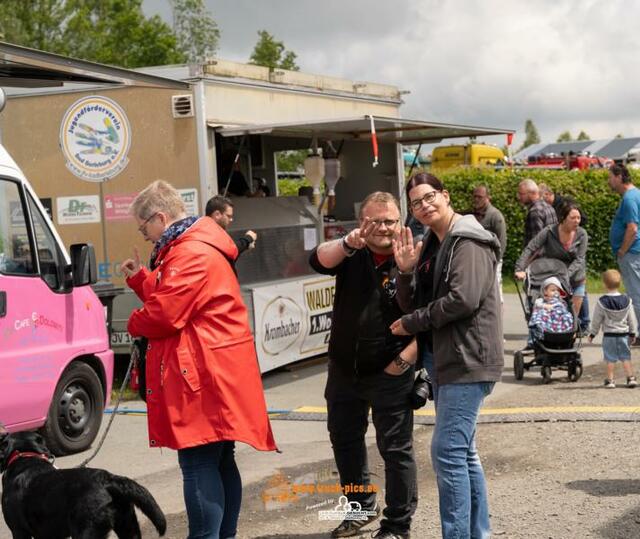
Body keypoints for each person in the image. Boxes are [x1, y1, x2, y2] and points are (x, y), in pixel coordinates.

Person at [121, 180, 277, 539]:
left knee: (198, 464)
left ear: (159, 217)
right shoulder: (194, 245)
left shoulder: (188, 251)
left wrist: (132, 323)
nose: (144, 236)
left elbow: (165, 314)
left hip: (202, 371)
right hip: (214, 367)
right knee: (220, 460)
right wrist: (141, 279)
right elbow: (175, 297)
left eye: (144, 227)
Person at [390, 172, 503, 539]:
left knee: (448, 451)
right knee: (463, 452)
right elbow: (415, 301)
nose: (423, 206)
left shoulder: (468, 241)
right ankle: (477, 533)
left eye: (429, 197)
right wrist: (406, 274)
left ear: (446, 195)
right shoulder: (434, 244)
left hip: (468, 358)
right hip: (445, 358)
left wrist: (411, 323)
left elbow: (463, 299)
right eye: (415, 203)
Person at [309, 191, 418, 539]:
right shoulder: (350, 252)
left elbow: (432, 316)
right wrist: (346, 242)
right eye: (375, 221)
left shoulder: (414, 256)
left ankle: (398, 525)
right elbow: (317, 260)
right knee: (345, 440)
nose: (383, 228)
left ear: (400, 222)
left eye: (390, 220)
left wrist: (403, 361)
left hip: (391, 371)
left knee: (396, 450)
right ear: (362, 223)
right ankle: (359, 509)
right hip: (344, 370)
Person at [515, 200, 588, 318]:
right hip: (554, 280)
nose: (576, 221)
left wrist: (565, 276)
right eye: (573, 218)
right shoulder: (549, 231)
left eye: (578, 218)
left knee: (571, 320)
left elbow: (579, 259)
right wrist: (520, 268)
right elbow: (531, 248)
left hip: (575, 279)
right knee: (553, 317)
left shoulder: (582, 234)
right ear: (563, 218)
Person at [588, 269, 638, 389]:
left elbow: (596, 320)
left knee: (610, 358)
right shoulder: (627, 300)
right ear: (620, 284)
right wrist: (633, 333)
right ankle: (630, 378)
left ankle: (610, 380)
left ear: (604, 285)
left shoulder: (601, 302)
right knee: (625, 357)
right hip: (624, 335)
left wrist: (592, 333)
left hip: (609, 335)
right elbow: (632, 319)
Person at [608, 164, 640, 324]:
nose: (609, 181)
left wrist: (622, 250)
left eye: (610, 177)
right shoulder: (635, 194)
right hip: (634, 252)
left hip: (631, 253)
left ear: (619, 177)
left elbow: (632, 228)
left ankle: (638, 334)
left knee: (635, 294)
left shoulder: (630, 198)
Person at [472, 184, 507, 300]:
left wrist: (496, 261)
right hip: (477, 259)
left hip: (493, 259)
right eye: (475, 196)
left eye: (480, 197)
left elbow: (502, 241)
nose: (476, 199)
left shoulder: (495, 215)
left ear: (488, 198)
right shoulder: (472, 214)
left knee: (496, 292)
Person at [528, 276, 574, 343]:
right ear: (545, 291)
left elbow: (564, 308)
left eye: (557, 290)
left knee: (567, 316)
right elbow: (537, 304)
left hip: (558, 317)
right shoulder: (541, 300)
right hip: (547, 319)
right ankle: (542, 329)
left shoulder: (561, 300)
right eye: (553, 290)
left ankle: (565, 330)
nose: (556, 292)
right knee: (541, 314)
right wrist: (544, 306)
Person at [517, 178, 557, 246]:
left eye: (521, 194)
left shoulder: (535, 211)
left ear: (531, 193)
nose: (519, 197)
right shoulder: (549, 207)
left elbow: (536, 242)